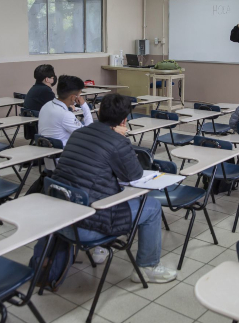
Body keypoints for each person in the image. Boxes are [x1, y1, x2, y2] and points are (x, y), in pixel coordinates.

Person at [52, 94, 177, 283]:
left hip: (60, 217)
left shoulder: (79, 133)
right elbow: (133, 175)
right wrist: (122, 141)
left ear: (99, 111)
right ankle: (147, 267)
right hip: (84, 226)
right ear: (125, 120)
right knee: (151, 207)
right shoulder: (118, 142)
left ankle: (101, 249)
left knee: (103, 190)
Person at [38, 75, 93, 147]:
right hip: (63, 154)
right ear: (73, 97)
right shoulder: (65, 115)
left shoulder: (46, 106)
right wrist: (84, 106)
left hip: (47, 151)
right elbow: (89, 134)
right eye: (79, 95)